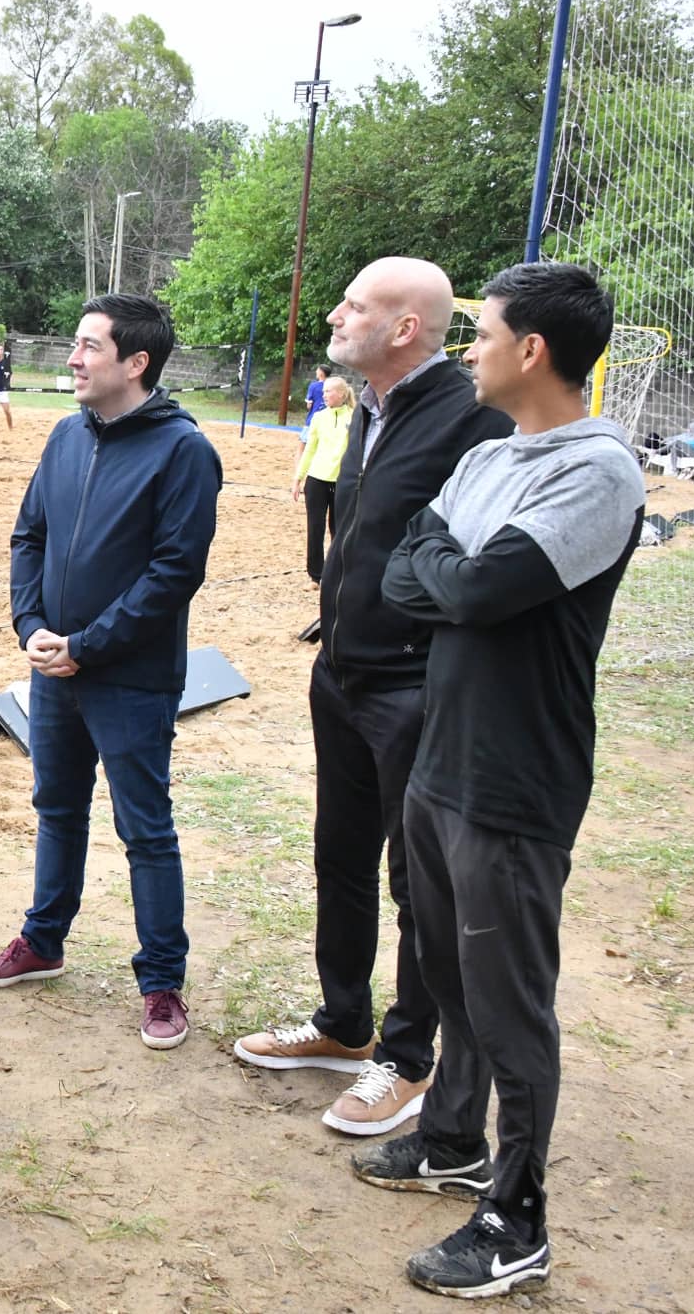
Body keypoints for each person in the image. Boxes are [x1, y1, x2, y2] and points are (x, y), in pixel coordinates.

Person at [354, 262, 641, 1300]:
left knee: (509, 999)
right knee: (447, 964)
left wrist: (447, 573)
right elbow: (401, 566)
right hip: (442, 757)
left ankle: (515, 1218)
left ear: (530, 352)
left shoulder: (597, 469)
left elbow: (472, 587)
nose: (465, 348)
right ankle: (447, 1142)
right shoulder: (491, 455)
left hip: (515, 777)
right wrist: (449, 573)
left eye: (480, 333)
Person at [233, 257, 514, 1135]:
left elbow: (477, 565)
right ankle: (343, 1024)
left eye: (354, 306)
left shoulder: (476, 419)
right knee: (338, 856)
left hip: (415, 686)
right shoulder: (367, 411)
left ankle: (407, 1058)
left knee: (417, 880)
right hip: (343, 676)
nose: (333, 314)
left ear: (404, 329)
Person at [0, 294, 221, 1052]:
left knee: (145, 828)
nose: (72, 359)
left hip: (131, 677)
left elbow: (176, 573)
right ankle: (44, 941)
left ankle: (162, 983)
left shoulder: (184, 452)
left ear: (135, 362)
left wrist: (91, 643)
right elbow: (29, 536)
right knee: (57, 807)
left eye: (88, 347)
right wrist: (34, 627)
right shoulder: (64, 438)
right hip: (56, 668)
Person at [292, 378, 357, 585]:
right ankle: (316, 574)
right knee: (315, 527)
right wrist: (298, 477)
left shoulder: (354, 417)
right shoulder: (319, 417)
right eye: (325, 391)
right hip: (317, 480)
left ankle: (337, 571)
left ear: (341, 394)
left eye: (329, 391)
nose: (325, 394)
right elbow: (310, 448)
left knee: (339, 529)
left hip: (342, 481)